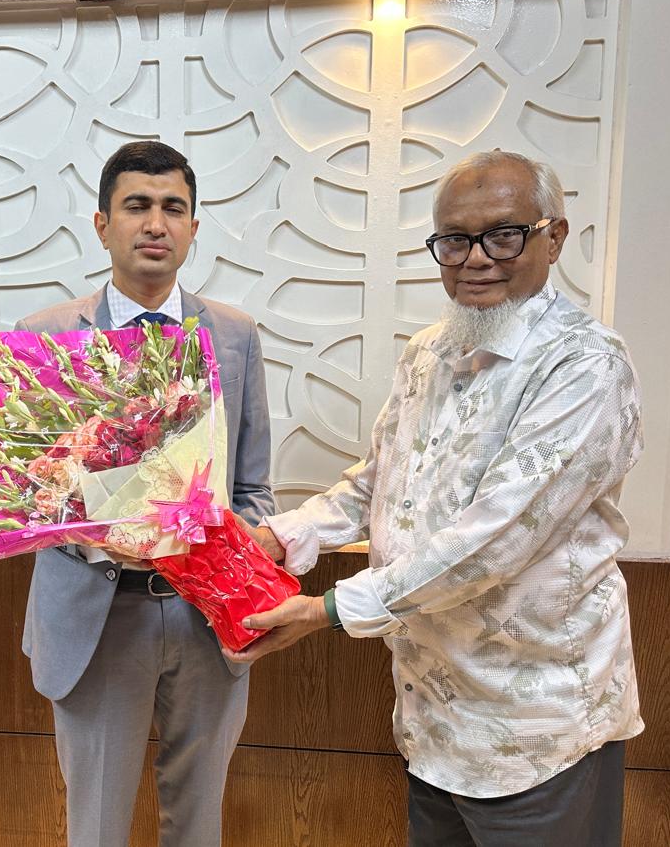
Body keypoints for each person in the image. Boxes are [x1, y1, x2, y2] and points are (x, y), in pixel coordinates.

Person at [229, 150, 643, 846]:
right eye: (454, 239)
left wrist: (328, 609)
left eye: (503, 235)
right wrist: (283, 535)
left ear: (554, 238)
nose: (475, 258)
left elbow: (497, 538)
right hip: (433, 715)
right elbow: (376, 483)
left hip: (537, 727)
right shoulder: (428, 351)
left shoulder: (585, 364)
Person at [15, 141, 275, 847]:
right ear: (103, 225)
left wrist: (236, 544)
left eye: (173, 208)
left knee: (198, 823)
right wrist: (95, 531)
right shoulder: (45, 338)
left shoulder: (235, 336)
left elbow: (254, 486)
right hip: (97, 616)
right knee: (96, 826)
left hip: (204, 616)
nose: (156, 223)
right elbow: (26, 496)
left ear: (193, 227)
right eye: (137, 206)